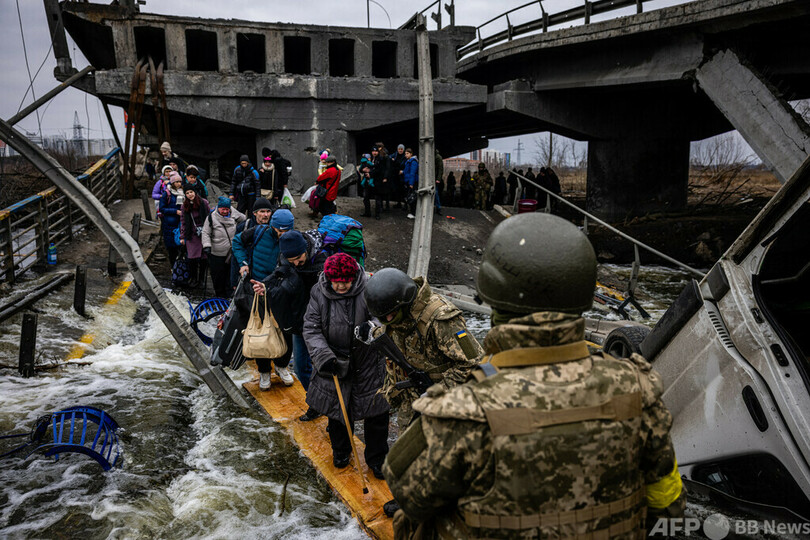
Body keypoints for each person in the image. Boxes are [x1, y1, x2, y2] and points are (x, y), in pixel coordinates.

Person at [383, 213, 686, 539]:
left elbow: (407, 495)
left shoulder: (461, 412)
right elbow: (667, 505)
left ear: (492, 296)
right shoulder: (638, 389)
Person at [364, 268, 483, 431]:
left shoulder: (441, 319)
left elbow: (474, 363)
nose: (388, 320)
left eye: (391, 315)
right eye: (383, 318)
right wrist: (372, 333)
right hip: (411, 405)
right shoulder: (401, 315)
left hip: (445, 408)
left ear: (404, 303)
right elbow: (399, 331)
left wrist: (437, 392)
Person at [303, 253, 390, 477]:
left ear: (354, 277)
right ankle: (341, 451)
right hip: (335, 361)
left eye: (346, 281)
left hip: (368, 361)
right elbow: (311, 328)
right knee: (338, 411)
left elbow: (383, 318)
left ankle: (378, 459)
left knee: (377, 414)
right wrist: (324, 356)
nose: (341, 286)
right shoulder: (318, 292)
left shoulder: (370, 287)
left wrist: (371, 328)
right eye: (336, 282)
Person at [251, 230, 326, 419]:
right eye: (290, 260)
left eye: (299, 259)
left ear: (306, 250)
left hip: (321, 323)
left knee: (323, 367)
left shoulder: (321, 261)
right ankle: (315, 404)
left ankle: (331, 409)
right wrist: (266, 286)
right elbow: (280, 275)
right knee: (301, 367)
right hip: (299, 322)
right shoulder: (286, 257)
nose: (295, 264)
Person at [232, 206, 296, 390]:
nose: (282, 234)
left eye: (286, 230)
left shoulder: (293, 239)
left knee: (285, 329)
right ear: (273, 226)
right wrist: (243, 263)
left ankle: (282, 366)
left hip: (280, 290)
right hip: (257, 289)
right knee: (260, 330)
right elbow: (237, 242)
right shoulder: (259, 231)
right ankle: (264, 372)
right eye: (279, 230)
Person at [202, 197, 246, 298]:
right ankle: (220, 296)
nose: (225, 211)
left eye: (227, 209)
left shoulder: (234, 214)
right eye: (223, 209)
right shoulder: (211, 217)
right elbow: (205, 232)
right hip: (216, 253)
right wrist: (207, 246)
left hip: (231, 253)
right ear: (219, 208)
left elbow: (244, 219)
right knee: (218, 277)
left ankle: (229, 297)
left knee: (230, 277)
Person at [179, 184, 210, 288]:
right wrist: (182, 236)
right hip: (191, 234)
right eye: (187, 193)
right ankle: (193, 278)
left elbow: (209, 217)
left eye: (191, 192)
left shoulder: (203, 203)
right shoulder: (184, 205)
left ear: (195, 192)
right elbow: (183, 221)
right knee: (192, 258)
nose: (189, 195)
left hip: (203, 233)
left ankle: (201, 280)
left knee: (203, 258)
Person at [159, 173, 185, 267]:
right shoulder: (167, 193)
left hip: (180, 222)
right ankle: (173, 266)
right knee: (172, 248)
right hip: (169, 224)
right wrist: (175, 211)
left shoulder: (182, 192)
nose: (178, 184)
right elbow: (162, 208)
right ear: (173, 182)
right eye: (176, 182)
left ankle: (180, 267)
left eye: (180, 182)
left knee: (181, 246)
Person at [373, 143, 393, 215]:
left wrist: (385, 176)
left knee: (386, 192)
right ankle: (381, 206)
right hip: (381, 176)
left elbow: (387, 167)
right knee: (380, 192)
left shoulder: (385, 155)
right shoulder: (378, 156)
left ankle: (386, 206)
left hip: (384, 175)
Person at [403, 148, 418, 219]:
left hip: (412, 182)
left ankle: (413, 213)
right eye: (405, 154)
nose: (406, 155)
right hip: (408, 181)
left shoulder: (413, 162)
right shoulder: (408, 161)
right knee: (411, 197)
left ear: (411, 154)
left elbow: (413, 173)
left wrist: (411, 183)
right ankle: (412, 212)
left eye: (407, 153)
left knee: (412, 197)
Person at [391, 144, 407, 209]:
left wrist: (403, 171)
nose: (400, 150)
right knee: (397, 190)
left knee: (404, 191)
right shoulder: (395, 155)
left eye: (401, 149)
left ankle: (405, 204)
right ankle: (398, 203)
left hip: (402, 175)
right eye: (399, 149)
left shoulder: (405, 156)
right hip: (396, 175)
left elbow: (406, 165)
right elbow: (389, 157)